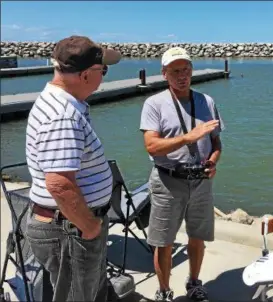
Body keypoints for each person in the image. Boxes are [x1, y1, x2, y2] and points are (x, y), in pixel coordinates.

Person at [24, 35, 121, 302]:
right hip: (70, 229)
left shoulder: (62, 104)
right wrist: (89, 227)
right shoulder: (62, 116)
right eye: (104, 70)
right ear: (87, 75)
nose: (105, 75)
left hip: (71, 225)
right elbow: (59, 184)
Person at [140, 47, 224, 301]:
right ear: (165, 73)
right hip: (167, 181)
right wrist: (188, 137)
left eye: (186, 69)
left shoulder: (207, 101)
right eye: (175, 71)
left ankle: (194, 282)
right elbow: (151, 146)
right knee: (163, 242)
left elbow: (217, 143)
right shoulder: (154, 104)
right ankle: (164, 291)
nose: (182, 75)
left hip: (200, 183)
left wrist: (212, 162)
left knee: (197, 238)